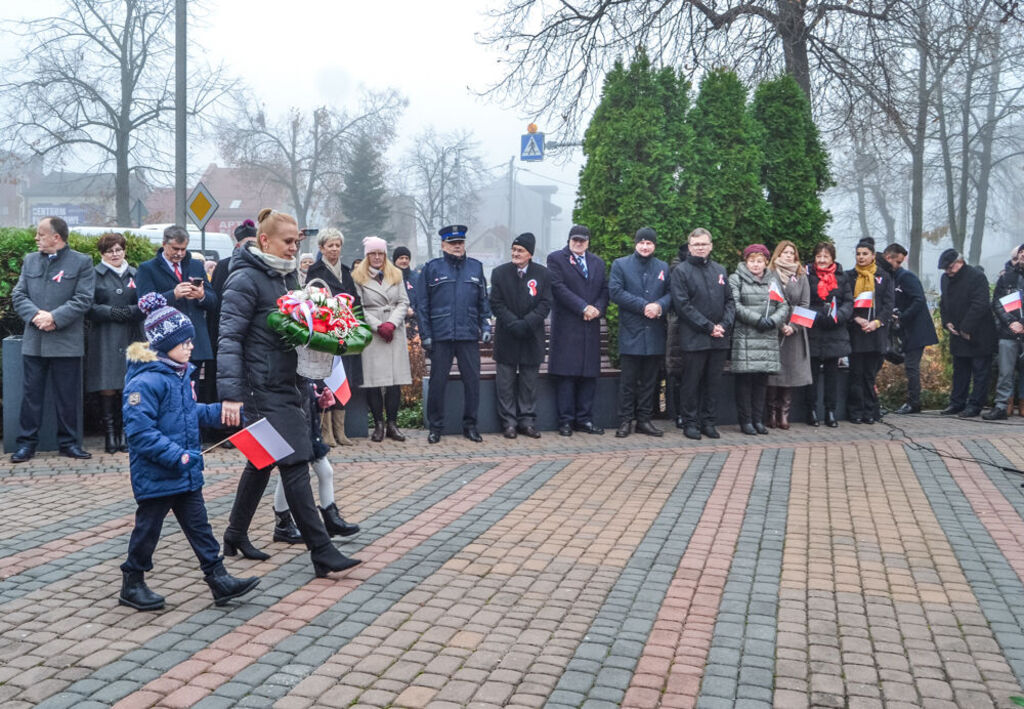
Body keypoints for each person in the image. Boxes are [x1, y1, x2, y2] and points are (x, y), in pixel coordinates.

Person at [219, 207, 361, 577]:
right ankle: (322, 551)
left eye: (296, 242)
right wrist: (231, 394)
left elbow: (302, 336)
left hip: (289, 383)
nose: (293, 248)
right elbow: (230, 339)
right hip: (259, 387)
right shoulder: (245, 279)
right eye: (287, 241)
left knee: (262, 462)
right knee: (296, 461)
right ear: (264, 240)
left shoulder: (287, 279)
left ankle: (234, 535)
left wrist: (317, 384)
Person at [118, 293, 259, 611]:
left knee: (200, 527)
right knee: (148, 530)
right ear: (164, 344)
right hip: (159, 473)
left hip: (183, 472)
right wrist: (178, 456)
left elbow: (186, 412)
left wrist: (219, 412)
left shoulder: (177, 375)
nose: (191, 347)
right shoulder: (145, 382)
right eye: (184, 342)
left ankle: (218, 578)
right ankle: (133, 581)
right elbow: (141, 434)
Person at [10, 216, 95, 463]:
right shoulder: (30, 260)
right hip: (34, 341)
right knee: (30, 396)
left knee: (68, 397)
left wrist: (55, 318)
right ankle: (26, 444)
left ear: (56, 237)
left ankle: (69, 444)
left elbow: (83, 298)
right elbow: (19, 294)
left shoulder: (82, 262)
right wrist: (36, 315)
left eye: (41, 233)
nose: (36, 238)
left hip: (66, 342)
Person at [416, 225, 492, 444]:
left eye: (460, 243)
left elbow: (483, 302)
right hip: (441, 335)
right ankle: (436, 427)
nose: (457, 247)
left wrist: (485, 327)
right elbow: (422, 304)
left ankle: (471, 426)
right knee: (438, 383)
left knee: (472, 383)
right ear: (443, 245)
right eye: (452, 243)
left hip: (468, 333)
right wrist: (426, 334)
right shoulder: (432, 268)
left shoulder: (475, 268)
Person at [135, 225, 218, 403]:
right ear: (164, 244)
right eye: (175, 249)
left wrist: (202, 296)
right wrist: (173, 295)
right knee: (169, 396)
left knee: (193, 395)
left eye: (183, 249)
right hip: (167, 344)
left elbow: (214, 301)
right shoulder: (147, 268)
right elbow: (144, 303)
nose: (180, 253)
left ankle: (193, 429)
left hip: (195, 343)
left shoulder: (196, 265)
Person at [270, 381, 360, 544]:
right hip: (293, 426)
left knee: (322, 472)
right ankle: (283, 523)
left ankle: (330, 517)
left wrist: (318, 402)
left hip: (308, 428)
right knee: (289, 474)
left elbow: (305, 397)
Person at [670, 227, 735, 440]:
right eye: (696, 244)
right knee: (691, 383)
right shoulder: (681, 271)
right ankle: (690, 423)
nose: (700, 248)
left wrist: (723, 325)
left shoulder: (720, 270)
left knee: (713, 383)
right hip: (694, 338)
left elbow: (729, 301)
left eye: (704, 244)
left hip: (719, 339)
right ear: (689, 247)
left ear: (711, 246)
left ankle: (708, 422)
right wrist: (709, 327)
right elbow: (683, 306)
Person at [546, 225, 609, 436]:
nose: (578, 243)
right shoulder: (556, 259)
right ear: (569, 240)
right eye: (575, 239)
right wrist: (583, 306)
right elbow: (558, 288)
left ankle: (585, 419)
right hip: (567, 326)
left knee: (588, 375)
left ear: (588, 241)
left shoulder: (597, 263)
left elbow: (604, 289)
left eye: (582, 240)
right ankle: (566, 421)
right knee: (566, 376)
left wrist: (598, 309)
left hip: (590, 326)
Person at [609, 227, 672, 438]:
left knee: (649, 381)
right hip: (631, 331)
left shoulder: (663, 266)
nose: (645, 247)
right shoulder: (621, 264)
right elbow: (616, 292)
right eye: (642, 242)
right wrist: (644, 305)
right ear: (635, 243)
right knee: (628, 381)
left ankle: (644, 420)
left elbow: (671, 294)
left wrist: (659, 306)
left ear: (654, 245)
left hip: (654, 332)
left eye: (649, 243)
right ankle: (625, 420)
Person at [489, 232, 552, 439]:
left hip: (531, 337)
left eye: (520, 250)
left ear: (530, 254)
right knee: (505, 383)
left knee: (528, 383)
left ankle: (527, 422)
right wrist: (513, 323)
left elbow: (545, 303)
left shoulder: (542, 274)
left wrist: (527, 323)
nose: (515, 253)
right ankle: (509, 423)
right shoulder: (500, 273)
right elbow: (496, 303)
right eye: (514, 250)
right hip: (507, 336)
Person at [86, 232, 145, 453]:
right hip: (105, 335)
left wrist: (128, 311)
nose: (115, 254)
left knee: (129, 386)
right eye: (110, 251)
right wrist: (112, 312)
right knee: (108, 385)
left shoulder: (136, 274)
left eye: (118, 249)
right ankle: (110, 435)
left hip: (132, 335)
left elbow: (145, 303)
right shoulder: (94, 274)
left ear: (124, 250)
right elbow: (88, 306)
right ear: (102, 254)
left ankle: (126, 433)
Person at [353, 236, 412, 442]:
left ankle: (392, 424)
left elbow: (404, 302)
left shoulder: (396, 274)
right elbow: (357, 307)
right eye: (373, 253)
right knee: (374, 381)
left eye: (380, 253)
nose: (377, 257)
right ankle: (378, 424)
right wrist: (378, 326)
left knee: (395, 381)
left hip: (393, 331)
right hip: (373, 333)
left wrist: (391, 324)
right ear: (367, 255)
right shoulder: (358, 277)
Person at [305, 228, 360, 447]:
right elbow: (314, 301)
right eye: (330, 245)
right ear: (321, 248)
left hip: (344, 332)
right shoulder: (315, 271)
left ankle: (340, 431)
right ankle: (325, 431)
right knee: (326, 381)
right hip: (325, 333)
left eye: (338, 245)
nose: (335, 249)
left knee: (343, 378)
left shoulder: (346, 272)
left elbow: (355, 300)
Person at [729, 244, 788, 435]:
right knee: (745, 383)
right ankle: (745, 421)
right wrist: (756, 320)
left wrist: (773, 320)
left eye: (760, 261)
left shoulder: (773, 280)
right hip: (746, 337)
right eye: (752, 261)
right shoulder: (736, 279)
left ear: (765, 262)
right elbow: (735, 305)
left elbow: (783, 305)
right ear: (746, 262)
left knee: (761, 382)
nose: (756, 265)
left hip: (767, 336)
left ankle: (758, 420)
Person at [938, 248, 997, 417]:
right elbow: (944, 302)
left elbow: (980, 304)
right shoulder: (945, 279)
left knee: (980, 371)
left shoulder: (976, 277)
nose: (948, 272)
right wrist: (946, 321)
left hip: (978, 334)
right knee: (960, 370)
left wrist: (966, 328)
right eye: (945, 269)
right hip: (957, 333)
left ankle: (975, 405)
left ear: (960, 262)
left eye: (950, 268)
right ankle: (957, 402)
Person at [882, 243, 938, 415]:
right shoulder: (889, 277)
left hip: (916, 330)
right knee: (908, 365)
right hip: (905, 330)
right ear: (888, 258)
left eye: (900, 262)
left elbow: (919, 300)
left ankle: (914, 402)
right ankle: (913, 401)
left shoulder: (906, 277)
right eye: (897, 261)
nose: (899, 265)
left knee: (911, 366)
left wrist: (902, 316)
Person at [763, 241, 812, 429]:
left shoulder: (801, 275)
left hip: (795, 331)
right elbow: (766, 301)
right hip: (774, 328)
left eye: (792, 253)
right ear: (778, 254)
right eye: (785, 252)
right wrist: (780, 323)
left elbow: (806, 303)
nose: (789, 256)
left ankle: (784, 414)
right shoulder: (770, 273)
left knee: (790, 373)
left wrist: (793, 326)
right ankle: (771, 413)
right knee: (774, 374)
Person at [804, 242, 852, 428]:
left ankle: (830, 411)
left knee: (832, 373)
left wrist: (838, 317)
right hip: (814, 328)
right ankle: (811, 409)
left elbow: (848, 301)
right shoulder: (807, 275)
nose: (822, 260)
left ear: (833, 258)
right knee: (812, 373)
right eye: (819, 256)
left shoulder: (842, 277)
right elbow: (803, 300)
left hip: (835, 330)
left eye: (826, 257)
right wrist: (817, 316)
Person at [846, 237, 894, 424]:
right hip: (857, 331)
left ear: (873, 256)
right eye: (858, 254)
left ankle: (870, 410)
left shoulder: (883, 276)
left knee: (869, 374)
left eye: (865, 254)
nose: (861, 257)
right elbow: (845, 302)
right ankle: (855, 411)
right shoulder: (850, 277)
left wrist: (877, 322)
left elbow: (888, 304)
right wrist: (856, 319)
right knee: (856, 374)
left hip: (875, 332)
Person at [987, 245, 1024, 420]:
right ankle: (1001, 406)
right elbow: (997, 303)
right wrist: (1012, 322)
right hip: (1008, 332)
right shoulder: (1007, 278)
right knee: (1005, 371)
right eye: (1021, 253)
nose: (1023, 256)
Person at [393, 245, 418, 338]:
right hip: (396, 322)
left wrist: (414, 312)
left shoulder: (416, 277)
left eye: (406, 258)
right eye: (401, 258)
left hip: (414, 321)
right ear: (395, 260)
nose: (404, 261)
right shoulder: (389, 277)